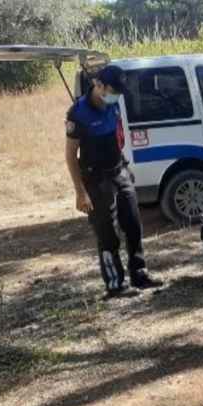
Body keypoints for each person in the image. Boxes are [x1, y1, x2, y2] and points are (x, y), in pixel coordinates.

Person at [65, 65, 162, 296]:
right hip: (96, 179)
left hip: (119, 171)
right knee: (107, 233)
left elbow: (116, 137)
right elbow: (70, 156)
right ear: (98, 85)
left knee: (133, 225)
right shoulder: (78, 113)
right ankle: (115, 284)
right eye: (113, 90)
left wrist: (125, 167)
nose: (116, 95)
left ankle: (139, 274)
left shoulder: (113, 103)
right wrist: (80, 192)